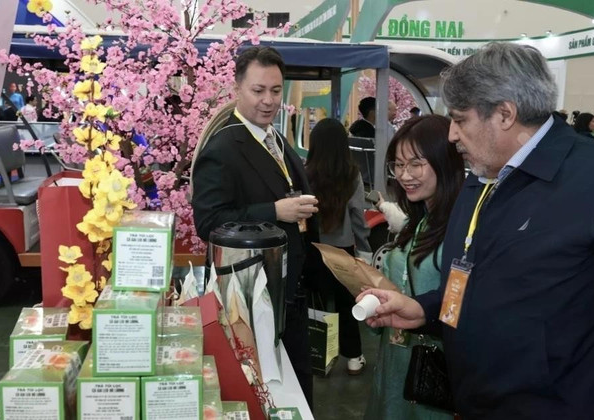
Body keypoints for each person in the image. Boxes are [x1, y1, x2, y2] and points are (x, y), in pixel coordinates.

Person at [357, 42, 594, 418]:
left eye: (460, 119)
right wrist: (424, 309)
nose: (452, 136)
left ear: (505, 113)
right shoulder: (482, 177)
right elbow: (475, 281)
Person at [192, 46, 319, 407]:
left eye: (276, 91)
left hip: (287, 292)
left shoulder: (275, 139)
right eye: (258, 91)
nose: (268, 101)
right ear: (237, 88)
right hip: (251, 301)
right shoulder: (223, 147)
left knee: (296, 388)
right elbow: (209, 221)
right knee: (266, 392)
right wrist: (275, 211)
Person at [364, 115, 464, 420]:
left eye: (416, 164)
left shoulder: (461, 228)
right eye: (398, 165)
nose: (404, 175)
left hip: (433, 373)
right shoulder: (419, 220)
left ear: (444, 161)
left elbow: (460, 304)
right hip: (396, 359)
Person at [305, 118, 372, 375]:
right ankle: (354, 358)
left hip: (313, 249)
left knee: (316, 303)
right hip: (343, 252)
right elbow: (357, 216)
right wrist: (364, 249)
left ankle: (320, 357)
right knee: (347, 304)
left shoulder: (305, 171)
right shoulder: (352, 174)